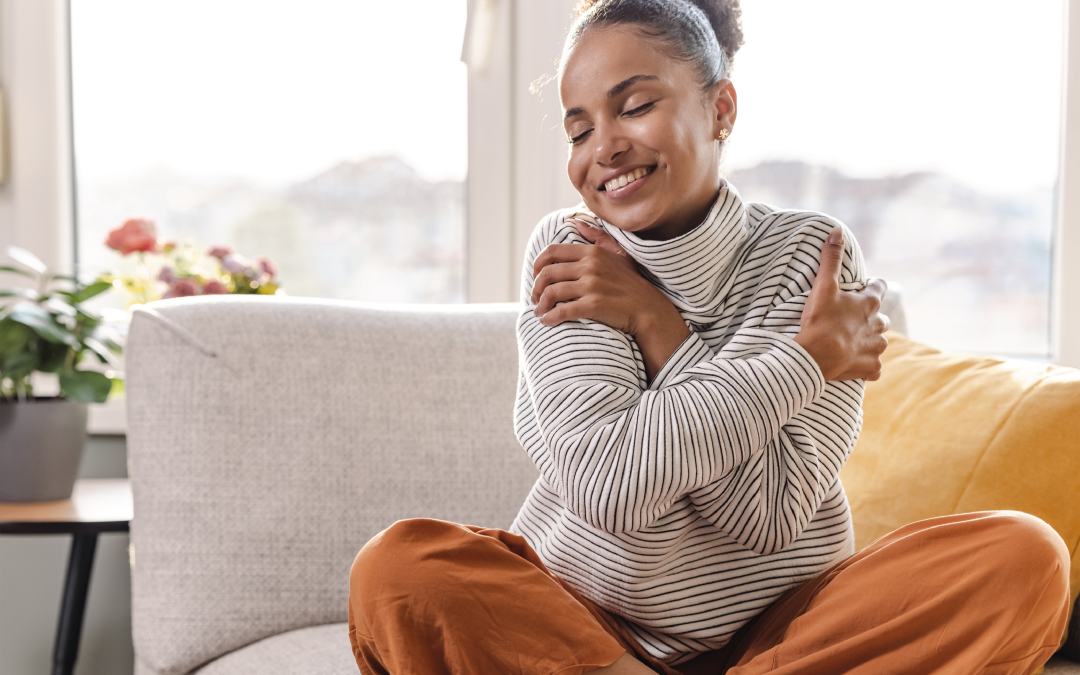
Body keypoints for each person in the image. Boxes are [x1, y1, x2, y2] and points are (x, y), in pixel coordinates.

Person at [348, 1, 1071, 673]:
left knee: (1024, 556)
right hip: (586, 630)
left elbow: (770, 515)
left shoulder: (809, 255)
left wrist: (657, 325)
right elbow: (611, 488)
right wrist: (804, 362)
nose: (604, 147)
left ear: (720, 108)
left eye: (633, 106)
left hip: (782, 632)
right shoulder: (571, 250)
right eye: (578, 129)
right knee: (399, 570)